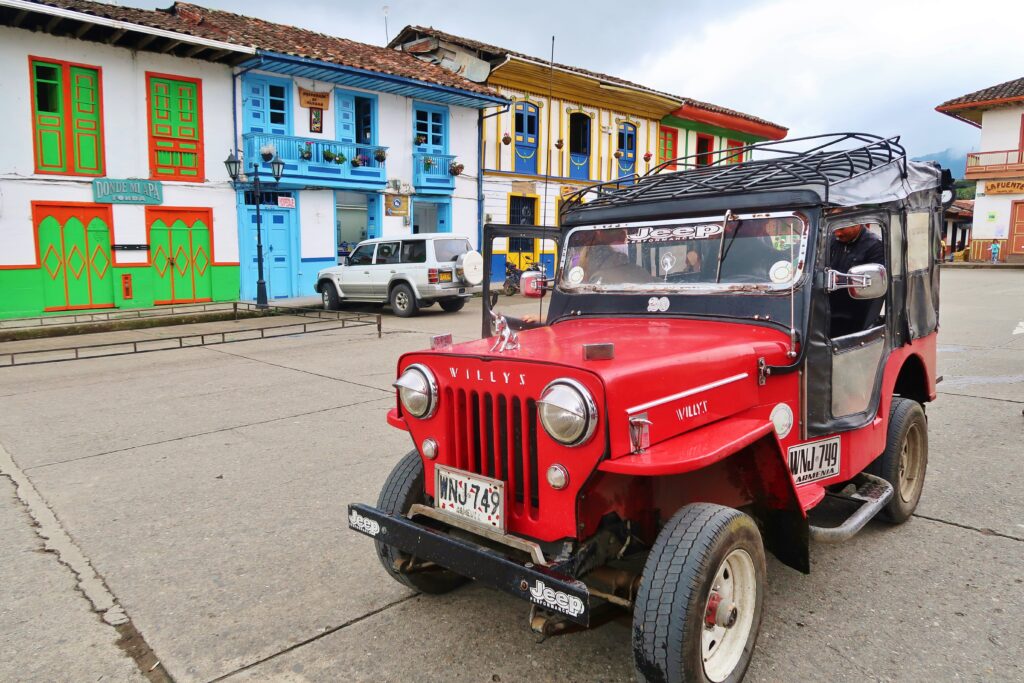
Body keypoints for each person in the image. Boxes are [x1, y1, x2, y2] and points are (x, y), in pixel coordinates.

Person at [829, 223, 885, 338]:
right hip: (827, 308)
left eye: (842, 228)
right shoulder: (831, 240)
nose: (837, 233)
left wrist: (839, 279)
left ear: (856, 224)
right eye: (835, 229)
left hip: (855, 314)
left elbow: (874, 281)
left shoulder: (875, 246)